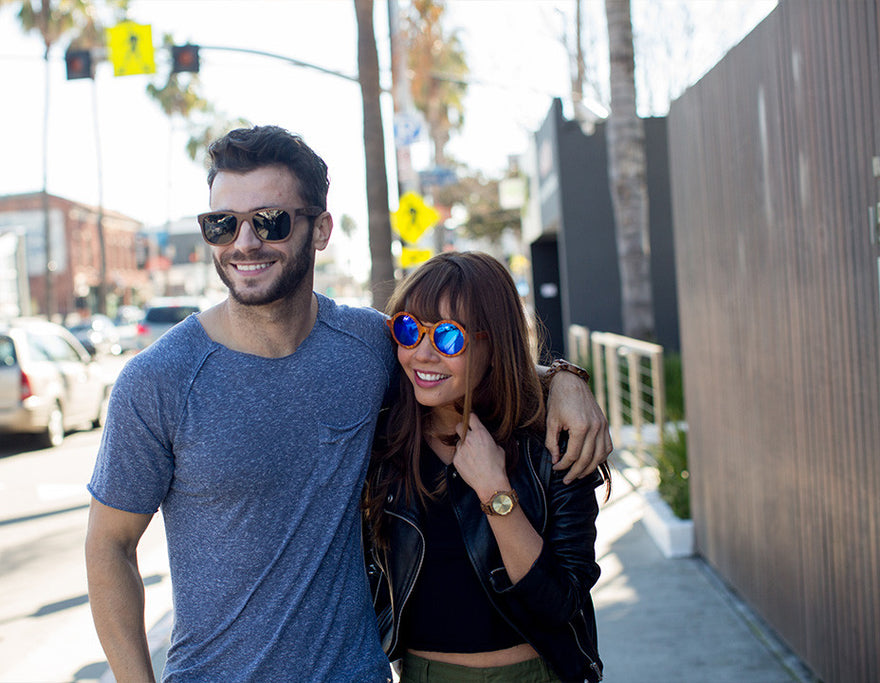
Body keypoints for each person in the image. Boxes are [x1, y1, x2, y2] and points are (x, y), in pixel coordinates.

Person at [85, 126, 611, 682]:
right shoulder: (156, 381)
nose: (243, 242)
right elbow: (109, 548)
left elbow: (465, 361)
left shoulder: (369, 345)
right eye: (222, 223)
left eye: (270, 220)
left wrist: (563, 381)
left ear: (320, 230)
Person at [363, 251, 611, 683]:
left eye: (448, 337)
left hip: (535, 674)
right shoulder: (381, 440)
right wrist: (565, 374)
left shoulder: (552, 441)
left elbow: (560, 602)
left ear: (492, 342)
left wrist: (496, 495)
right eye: (408, 330)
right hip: (424, 675)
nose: (422, 354)